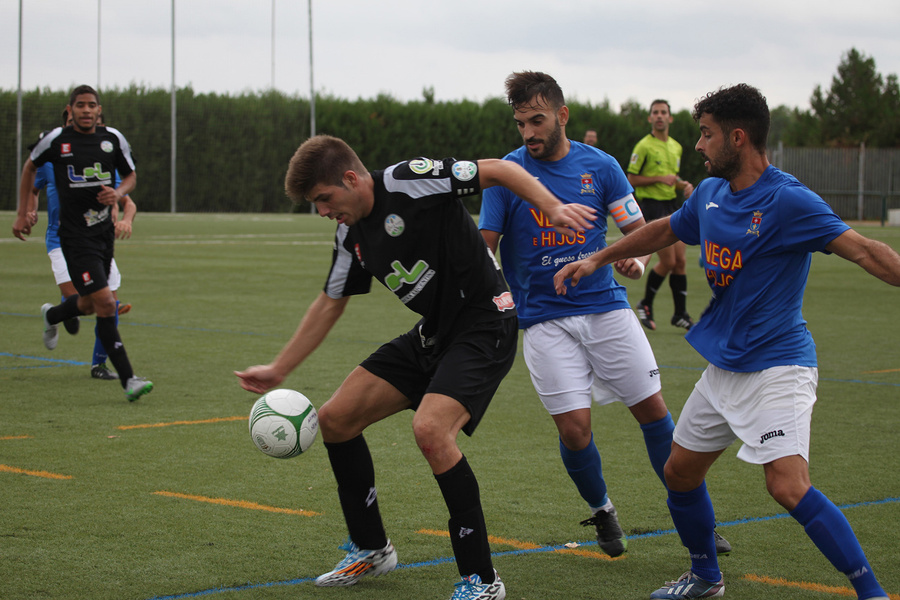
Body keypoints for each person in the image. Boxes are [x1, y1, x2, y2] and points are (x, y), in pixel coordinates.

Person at [554, 83, 898, 600]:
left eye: (707, 135)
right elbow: (665, 229)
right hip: (724, 369)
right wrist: (598, 257)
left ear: (737, 138)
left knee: (786, 486)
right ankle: (705, 578)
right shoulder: (711, 195)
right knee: (679, 472)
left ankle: (870, 592)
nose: (698, 145)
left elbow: (867, 251)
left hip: (779, 367)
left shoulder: (788, 200)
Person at [235, 134, 595, 600]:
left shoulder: (410, 181)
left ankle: (482, 581)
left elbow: (501, 171)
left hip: (487, 324)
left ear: (350, 178)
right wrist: (279, 368)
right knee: (336, 420)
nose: (323, 211)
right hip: (435, 332)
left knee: (430, 430)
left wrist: (553, 207)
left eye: (324, 199)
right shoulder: (349, 234)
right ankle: (371, 549)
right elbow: (330, 303)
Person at [479, 71, 730, 558]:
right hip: (543, 320)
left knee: (654, 414)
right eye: (520, 123)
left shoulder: (602, 166)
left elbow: (637, 228)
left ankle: (699, 518)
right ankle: (601, 509)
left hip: (606, 307)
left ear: (562, 115)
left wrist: (631, 257)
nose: (529, 132)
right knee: (574, 430)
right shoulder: (508, 175)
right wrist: (494, 297)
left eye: (537, 120)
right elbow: (484, 248)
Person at [13, 84, 152, 402]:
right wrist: (24, 213)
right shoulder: (55, 142)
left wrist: (117, 195)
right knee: (106, 304)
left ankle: (53, 316)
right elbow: (29, 168)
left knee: (90, 305)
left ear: (99, 110)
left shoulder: (112, 139)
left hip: (103, 237)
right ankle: (128, 379)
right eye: (80, 105)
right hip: (73, 239)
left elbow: (130, 176)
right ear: (70, 109)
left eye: (92, 105)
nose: (86, 110)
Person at [27, 109, 135, 381]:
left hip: (97, 240)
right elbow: (32, 189)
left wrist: (126, 218)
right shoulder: (52, 159)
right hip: (61, 238)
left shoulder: (101, 159)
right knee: (80, 298)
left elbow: (126, 199)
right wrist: (29, 212)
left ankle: (99, 365)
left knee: (105, 300)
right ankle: (56, 314)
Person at [627, 99, 695, 331]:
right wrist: (658, 179)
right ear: (650, 118)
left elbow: (671, 179)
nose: (659, 116)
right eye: (655, 112)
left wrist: (682, 184)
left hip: (672, 205)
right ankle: (645, 303)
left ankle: (680, 313)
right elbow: (631, 179)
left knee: (681, 262)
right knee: (668, 261)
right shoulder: (643, 146)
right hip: (653, 207)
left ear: (670, 117)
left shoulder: (676, 146)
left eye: (663, 112)